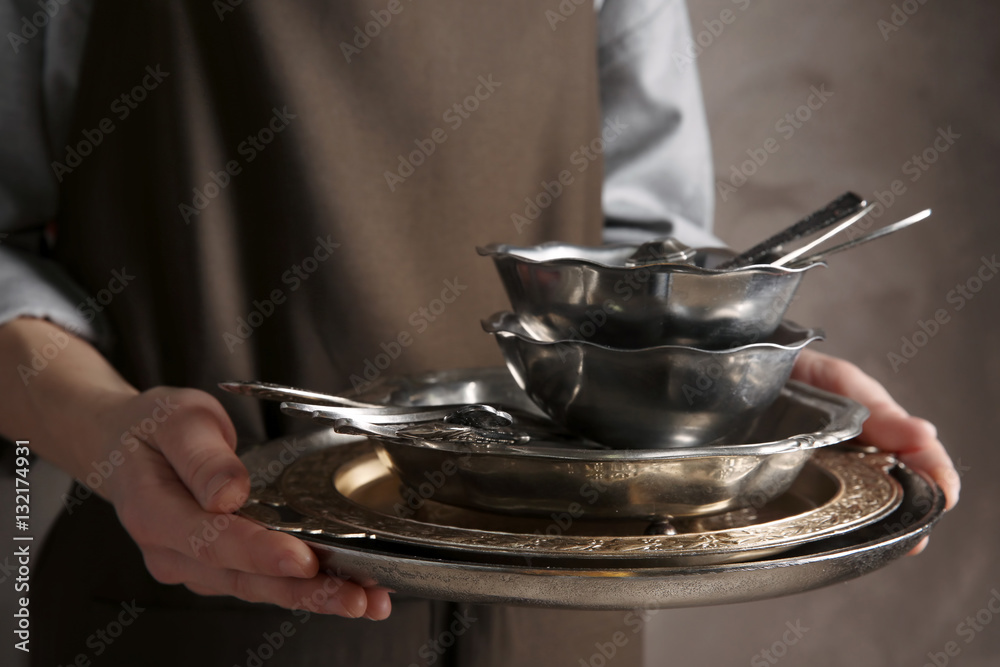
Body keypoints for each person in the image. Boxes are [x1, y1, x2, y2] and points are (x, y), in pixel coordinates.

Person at [0, 0, 959, 665]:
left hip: (561, 616)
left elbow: (637, 253)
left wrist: (724, 377)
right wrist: (107, 426)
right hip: (204, 609)